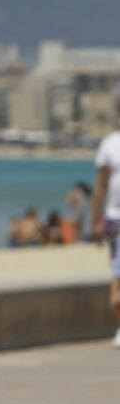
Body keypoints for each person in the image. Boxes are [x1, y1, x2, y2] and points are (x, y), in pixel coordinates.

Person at [92, 105, 120, 346]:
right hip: (114, 221)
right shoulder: (109, 145)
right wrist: (96, 221)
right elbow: (101, 185)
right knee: (117, 271)